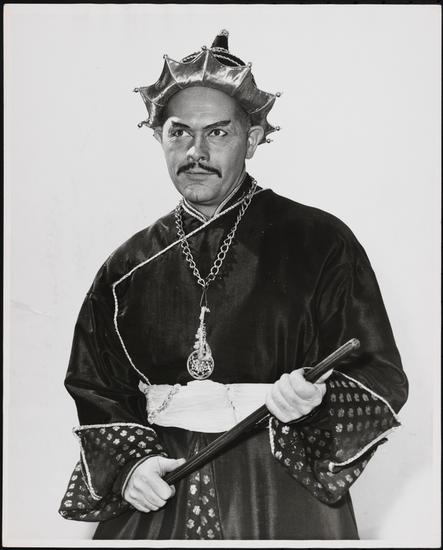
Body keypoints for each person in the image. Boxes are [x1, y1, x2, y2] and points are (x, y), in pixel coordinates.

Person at [59, 30, 408, 540]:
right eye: (179, 132)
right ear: (159, 136)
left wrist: (315, 403)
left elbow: (379, 372)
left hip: (278, 484)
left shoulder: (320, 241)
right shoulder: (126, 267)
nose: (196, 151)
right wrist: (133, 465)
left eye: (218, 133)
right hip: (163, 488)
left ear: (255, 137)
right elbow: (96, 385)